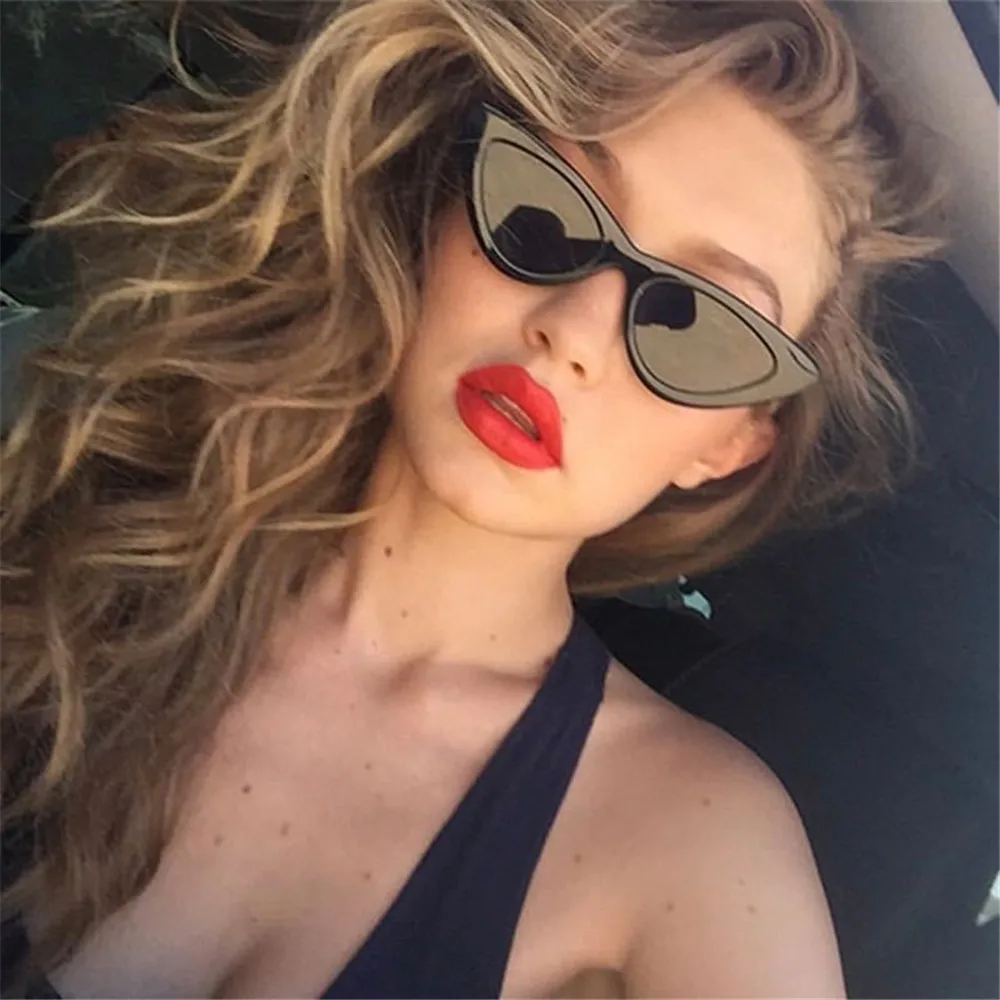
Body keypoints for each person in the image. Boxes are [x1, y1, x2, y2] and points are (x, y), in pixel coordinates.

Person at [0, 1, 944, 997]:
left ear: (728, 444)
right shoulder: (78, 524)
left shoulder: (698, 847)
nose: (574, 330)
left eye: (698, 323)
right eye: (545, 208)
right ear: (445, 212)